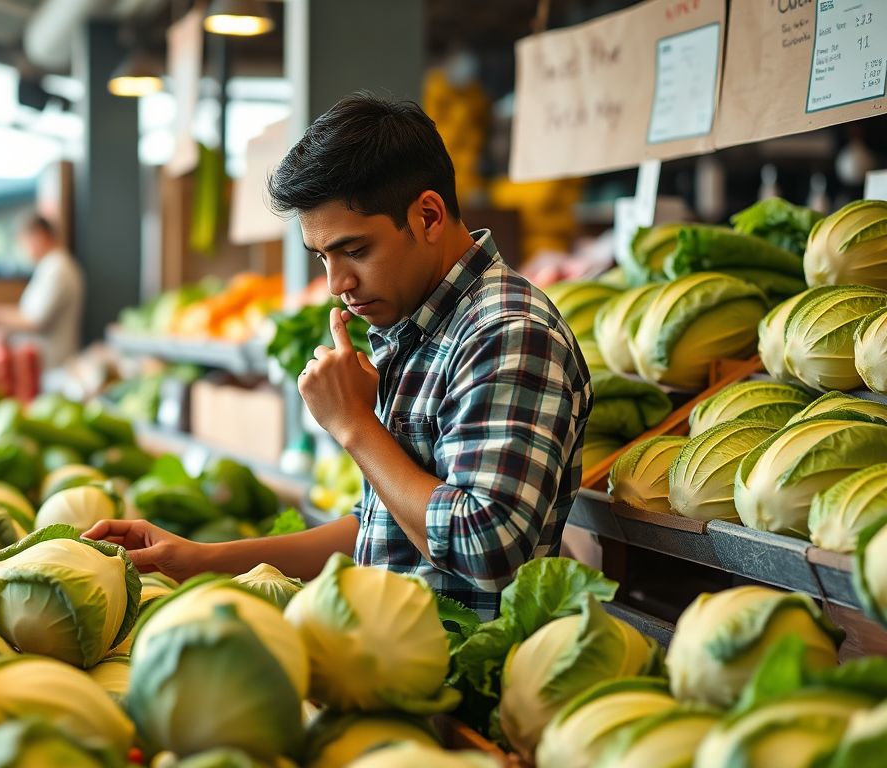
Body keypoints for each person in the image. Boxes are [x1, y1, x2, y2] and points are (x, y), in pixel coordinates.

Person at [85, 93, 594, 617]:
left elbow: (487, 549)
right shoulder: (420, 324)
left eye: (355, 251)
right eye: (323, 257)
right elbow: (384, 525)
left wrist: (353, 425)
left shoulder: (508, 333)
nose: (337, 284)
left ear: (428, 216)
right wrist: (201, 560)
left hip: (458, 665)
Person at [0, 214, 84, 372]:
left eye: (24, 242)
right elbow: (28, 312)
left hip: (51, 365)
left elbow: (35, 320)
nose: (23, 249)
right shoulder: (49, 267)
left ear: (40, 237)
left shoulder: (58, 268)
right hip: (40, 364)